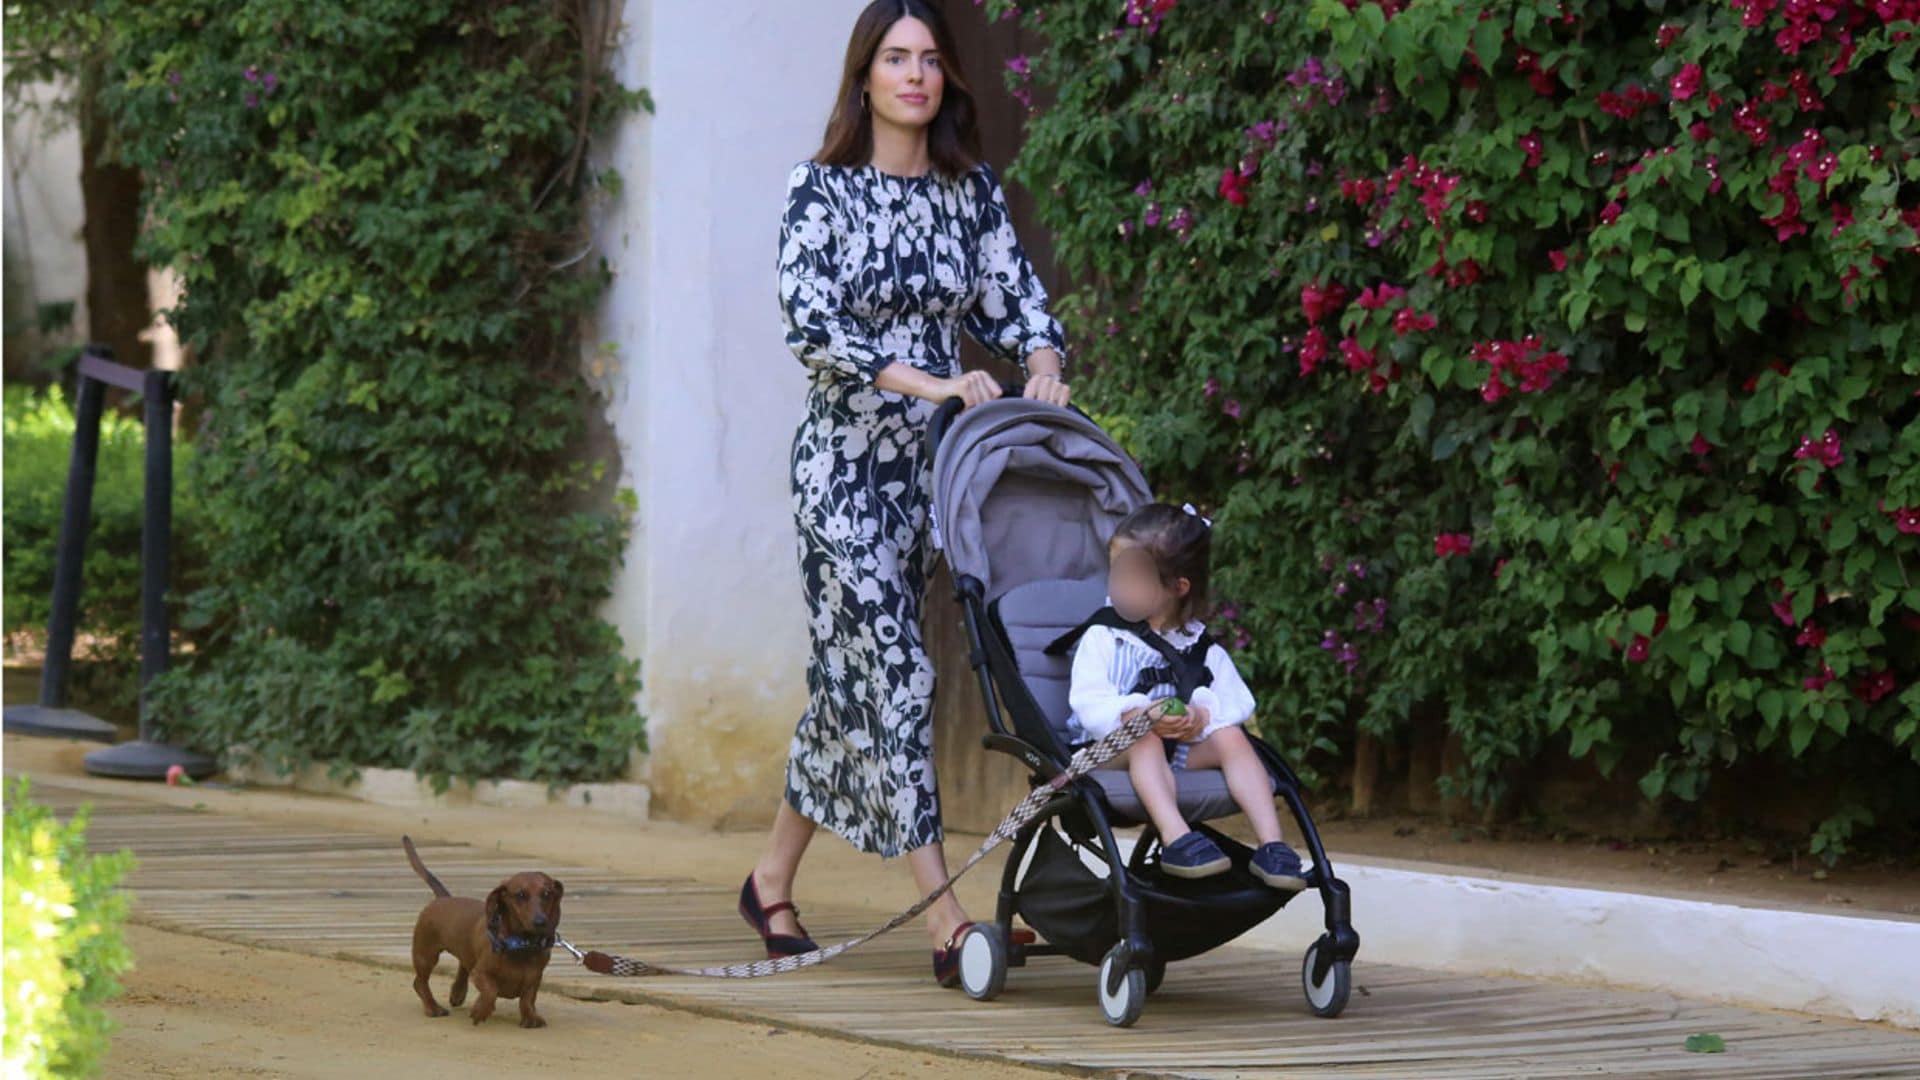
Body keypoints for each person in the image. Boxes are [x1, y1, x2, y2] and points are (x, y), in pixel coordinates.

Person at [744, 0, 1072, 987]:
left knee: (854, 683)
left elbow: (1015, 294)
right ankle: (946, 916)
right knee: (894, 672)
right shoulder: (821, 191)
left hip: (929, 480)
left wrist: (1044, 362)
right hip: (841, 475)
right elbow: (815, 327)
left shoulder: (967, 194)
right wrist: (933, 381)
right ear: (866, 79)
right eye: (896, 58)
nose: (917, 75)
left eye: (930, 59)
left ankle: (769, 879)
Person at [1063, 503, 1310, 891]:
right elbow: (1088, 701)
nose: (1118, 587)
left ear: (1178, 588)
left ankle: (1272, 845)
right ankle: (1176, 838)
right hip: (1105, 752)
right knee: (1142, 734)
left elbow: (1238, 702)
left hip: (1172, 755)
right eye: (1116, 573)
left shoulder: (1198, 645)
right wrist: (1138, 712)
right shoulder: (1104, 636)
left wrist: (1201, 713)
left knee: (1231, 735)